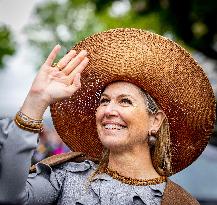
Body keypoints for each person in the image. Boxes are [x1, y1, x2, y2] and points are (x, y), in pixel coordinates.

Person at [0, 28, 216, 205]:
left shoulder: (180, 202)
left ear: (155, 121)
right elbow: (10, 197)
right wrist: (36, 101)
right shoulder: (66, 177)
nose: (108, 110)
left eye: (125, 101)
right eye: (104, 101)